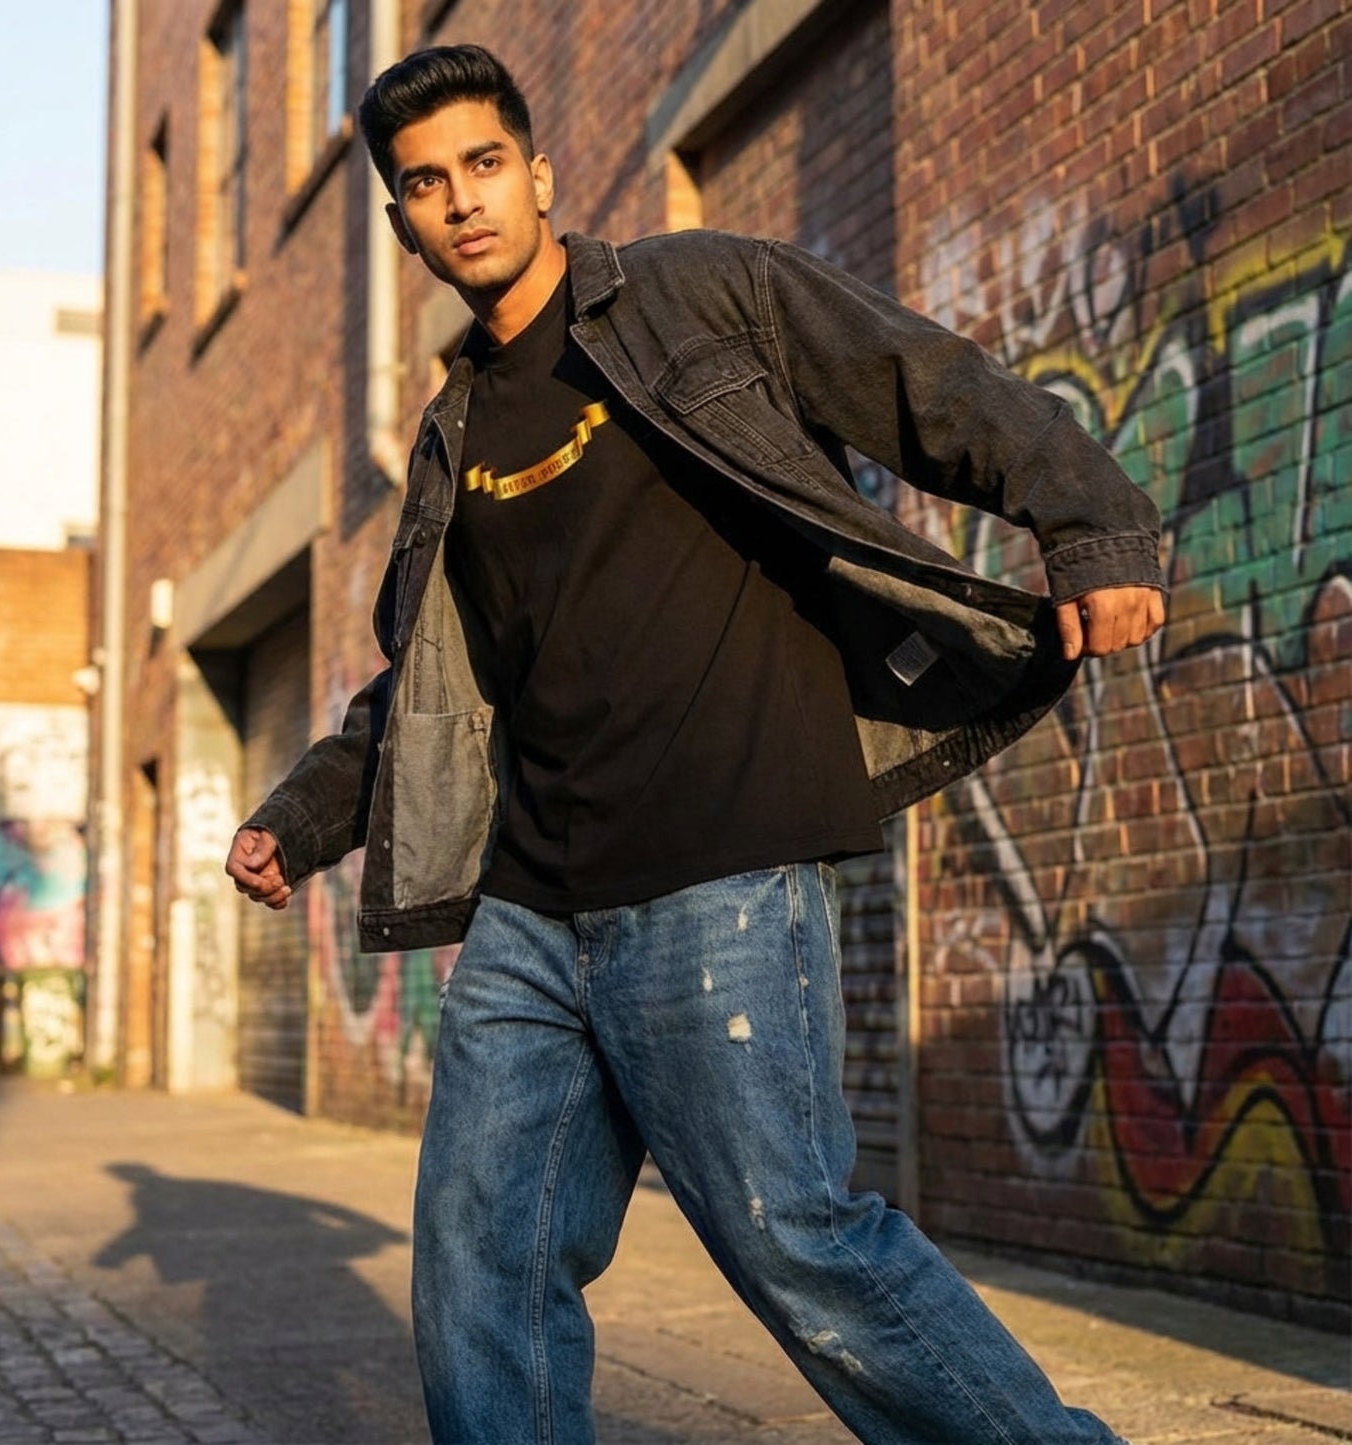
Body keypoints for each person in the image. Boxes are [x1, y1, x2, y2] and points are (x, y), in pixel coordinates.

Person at [226, 43, 1162, 1444]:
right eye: (425, 186)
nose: (461, 202)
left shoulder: (699, 292)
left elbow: (922, 382)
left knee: (796, 1233)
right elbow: (426, 683)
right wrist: (303, 817)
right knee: (482, 1254)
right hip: (531, 908)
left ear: (538, 174)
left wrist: (1086, 520)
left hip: (721, 865)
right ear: (401, 224)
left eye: (485, 165)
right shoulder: (454, 432)